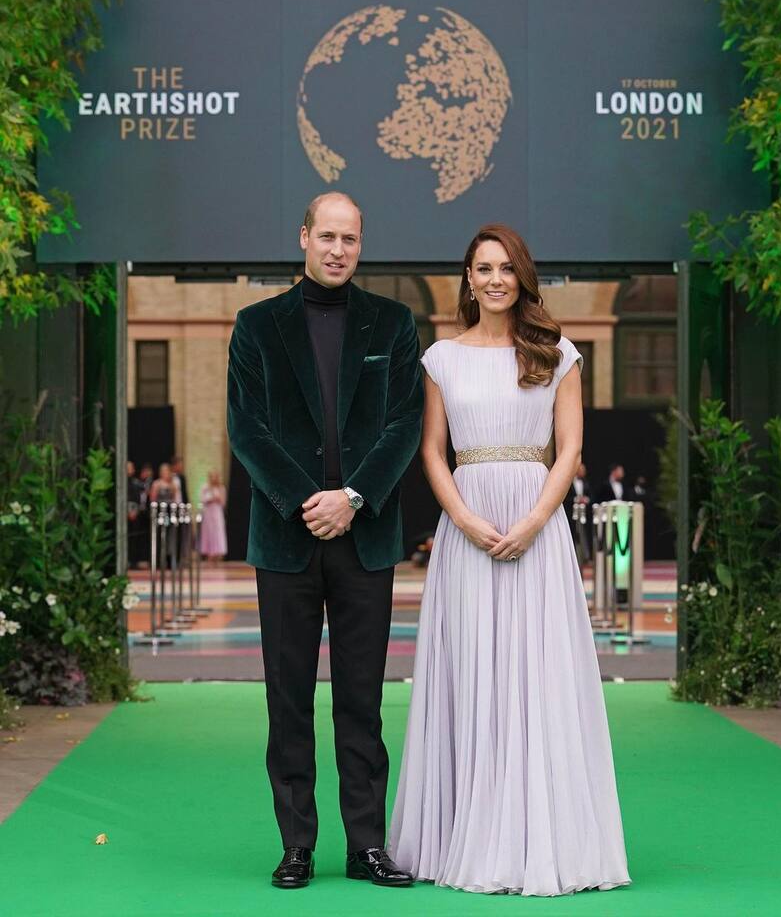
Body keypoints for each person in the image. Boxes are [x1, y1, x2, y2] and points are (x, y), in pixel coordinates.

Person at [388, 223, 630, 896]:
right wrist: (462, 519)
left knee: (535, 673)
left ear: (523, 276)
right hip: (465, 532)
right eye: (482, 267)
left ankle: (538, 838)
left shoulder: (559, 354)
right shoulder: (440, 358)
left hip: (537, 528)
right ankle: (463, 831)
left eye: (506, 267)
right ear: (467, 278)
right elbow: (433, 451)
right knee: (470, 673)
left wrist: (530, 523)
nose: (494, 278)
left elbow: (570, 452)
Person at [227, 191, 424, 890]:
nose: (338, 249)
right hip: (286, 539)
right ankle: (297, 845)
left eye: (350, 239)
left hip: (364, 538)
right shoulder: (255, 327)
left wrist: (353, 498)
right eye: (327, 236)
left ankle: (367, 845)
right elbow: (247, 429)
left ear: (360, 244)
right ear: (303, 236)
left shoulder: (395, 324)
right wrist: (308, 503)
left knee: (362, 698)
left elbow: (405, 424)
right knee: (287, 698)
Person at [564, 461, 593, 563]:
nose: (583, 471)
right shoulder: (568, 481)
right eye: (581, 469)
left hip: (585, 515)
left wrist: (586, 500)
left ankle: (586, 556)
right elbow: (565, 498)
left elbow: (591, 496)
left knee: (585, 536)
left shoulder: (586, 483)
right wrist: (576, 500)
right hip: (571, 515)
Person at [199, 470, 228, 562]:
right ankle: (209, 553)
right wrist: (210, 498)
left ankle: (218, 553)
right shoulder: (205, 487)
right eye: (212, 476)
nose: (214, 478)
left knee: (218, 532)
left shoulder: (221, 488)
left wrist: (217, 498)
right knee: (209, 532)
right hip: (208, 512)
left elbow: (223, 502)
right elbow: (202, 499)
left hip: (217, 512)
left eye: (215, 476)